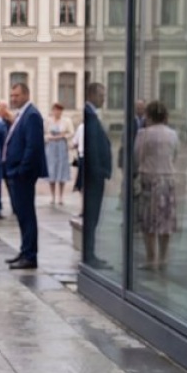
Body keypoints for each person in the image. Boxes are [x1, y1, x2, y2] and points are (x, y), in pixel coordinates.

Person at [3, 83, 48, 270]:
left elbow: (33, 146)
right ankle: (24, 251)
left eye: (17, 95)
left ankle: (30, 256)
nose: (13, 98)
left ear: (27, 95)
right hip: (16, 172)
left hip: (24, 175)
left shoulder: (32, 115)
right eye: (12, 95)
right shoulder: (22, 114)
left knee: (27, 215)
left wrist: (22, 170)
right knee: (22, 215)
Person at [134, 100, 178, 270]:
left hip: (149, 179)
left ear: (149, 116)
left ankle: (150, 258)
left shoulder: (143, 133)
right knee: (166, 221)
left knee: (148, 221)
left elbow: (138, 156)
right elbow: (175, 154)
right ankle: (163, 257)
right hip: (167, 180)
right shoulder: (172, 134)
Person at [83, 83, 111, 269]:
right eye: (102, 95)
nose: (104, 98)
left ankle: (89, 253)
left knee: (92, 216)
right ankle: (89, 255)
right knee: (91, 216)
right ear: (92, 95)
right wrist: (99, 171)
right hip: (94, 177)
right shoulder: (90, 116)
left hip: (94, 175)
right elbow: (92, 147)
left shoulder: (92, 115)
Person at [44, 102, 74, 205]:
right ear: (53, 111)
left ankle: (61, 196)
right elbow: (44, 133)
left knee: (61, 170)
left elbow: (71, 133)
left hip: (61, 146)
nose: (57, 112)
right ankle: (52, 196)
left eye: (59, 110)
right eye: (55, 110)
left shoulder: (66, 121)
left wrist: (62, 136)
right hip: (51, 146)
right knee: (51, 170)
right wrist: (49, 137)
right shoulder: (48, 121)